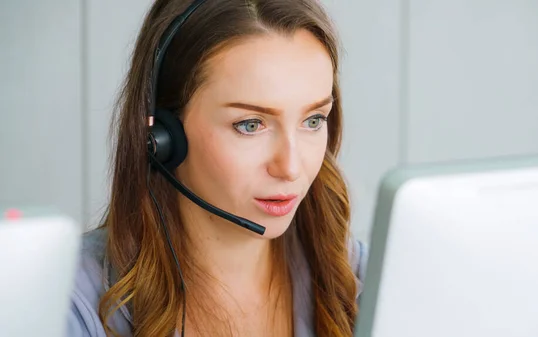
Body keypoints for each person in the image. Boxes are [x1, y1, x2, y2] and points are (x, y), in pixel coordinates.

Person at [67, 0, 368, 336]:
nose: (291, 168)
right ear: (163, 137)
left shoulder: (359, 278)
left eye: (313, 120)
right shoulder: (69, 301)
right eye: (250, 125)